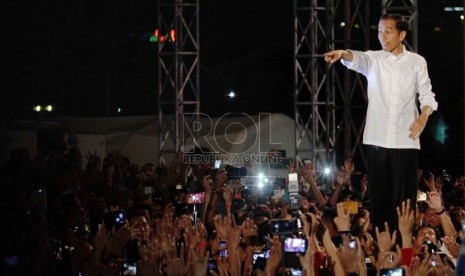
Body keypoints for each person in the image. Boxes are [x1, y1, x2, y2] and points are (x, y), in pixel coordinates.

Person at [324, 13, 438, 231]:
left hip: (405, 139)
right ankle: (381, 247)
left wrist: (423, 116)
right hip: (376, 139)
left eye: (388, 31)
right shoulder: (374, 59)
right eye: (379, 31)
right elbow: (356, 57)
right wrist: (341, 54)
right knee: (379, 200)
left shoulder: (416, 62)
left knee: (404, 201)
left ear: (401, 34)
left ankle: (403, 246)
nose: (382, 36)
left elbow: (427, 95)